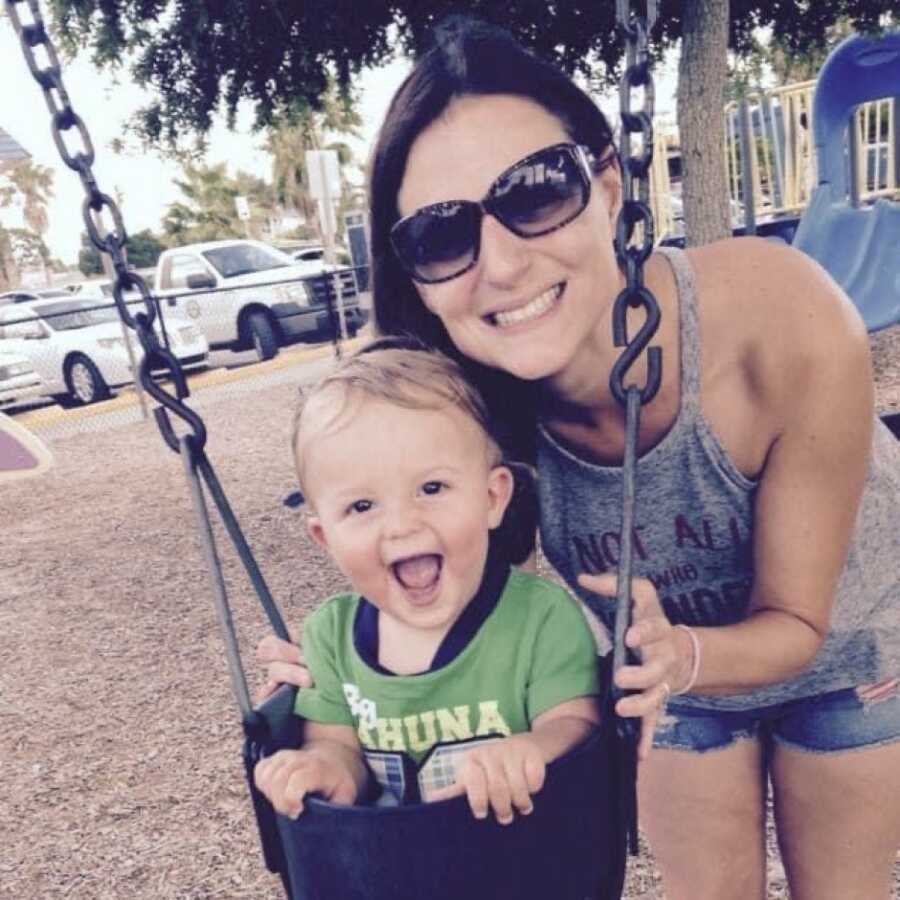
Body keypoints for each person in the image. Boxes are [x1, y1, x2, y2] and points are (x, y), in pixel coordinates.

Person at [258, 17, 900, 900]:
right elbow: (410, 540)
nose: (501, 262)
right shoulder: (457, 411)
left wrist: (684, 658)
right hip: (660, 681)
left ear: (605, 185)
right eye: (443, 236)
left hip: (845, 651)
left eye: (534, 192)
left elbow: (796, 621)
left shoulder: (781, 318)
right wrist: (343, 669)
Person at [254, 342, 603, 825]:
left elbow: (576, 722)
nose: (401, 525)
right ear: (324, 536)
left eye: (432, 488)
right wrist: (323, 769)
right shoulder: (328, 638)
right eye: (361, 506)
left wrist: (531, 749)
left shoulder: (541, 618)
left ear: (492, 497)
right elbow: (334, 745)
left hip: (523, 863)